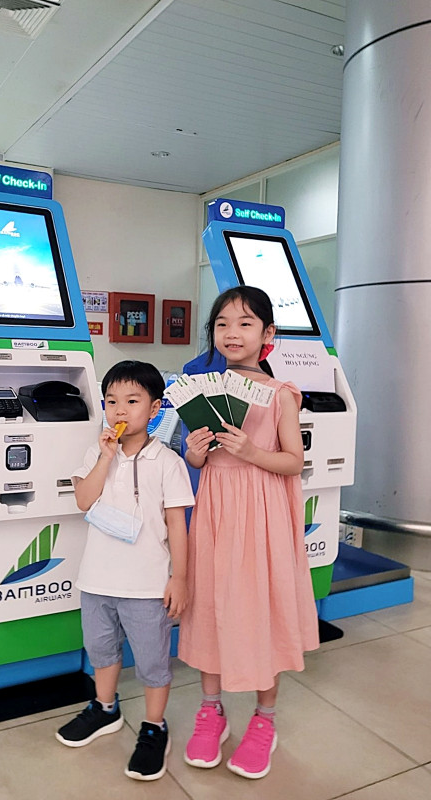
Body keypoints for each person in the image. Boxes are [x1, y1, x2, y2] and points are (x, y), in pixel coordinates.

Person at [178, 286, 319, 780]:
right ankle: (210, 711)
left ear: (268, 334)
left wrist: (250, 451)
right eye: (221, 323)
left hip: (261, 515)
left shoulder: (281, 394)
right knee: (211, 604)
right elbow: (195, 460)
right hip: (215, 510)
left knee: (263, 608)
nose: (231, 332)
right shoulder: (202, 387)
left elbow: (292, 462)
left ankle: (264, 720)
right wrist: (196, 452)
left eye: (244, 323)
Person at [56, 360, 195, 781]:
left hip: (148, 583)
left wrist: (181, 578)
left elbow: (177, 525)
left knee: (153, 660)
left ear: (154, 409)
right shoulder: (97, 452)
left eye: (132, 401)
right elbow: (83, 500)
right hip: (97, 579)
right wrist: (104, 457)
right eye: (112, 401)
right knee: (101, 649)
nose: (120, 411)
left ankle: (154, 726)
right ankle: (105, 708)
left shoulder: (166, 461)